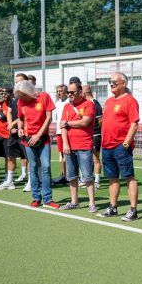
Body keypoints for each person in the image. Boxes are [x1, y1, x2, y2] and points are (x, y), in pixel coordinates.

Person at [97, 72, 140, 221]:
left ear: (124, 84)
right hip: (107, 146)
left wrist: (126, 143)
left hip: (121, 146)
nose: (111, 83)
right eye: (110, 81)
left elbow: (134, 123)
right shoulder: (109, 101)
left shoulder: (130, 101)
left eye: (115, 81)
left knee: (129, 177)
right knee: (112, 178)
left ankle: (133, 210)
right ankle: (113, 207)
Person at [15, 80, 59, 208]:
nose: (21, 98)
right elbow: (21, 118)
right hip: (28, 140)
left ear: (29, 91)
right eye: (19, 96)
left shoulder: (43, 96)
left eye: (23, 95)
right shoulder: (20, 102)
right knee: (33, 168)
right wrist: (20, 128)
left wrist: (38, 135)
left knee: (46, 168)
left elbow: (49, 118)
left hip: (43, 139)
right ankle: (36, 198)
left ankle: (48, 199)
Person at [59, 79, 97, 211]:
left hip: (84, 145)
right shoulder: (66, 107)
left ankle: (92, 203)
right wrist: (65, 143)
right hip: (69, 146)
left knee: (87, 176)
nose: (69, 94)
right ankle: (74, 201)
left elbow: (85, 122)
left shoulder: (89, 105)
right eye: (67, 92)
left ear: (80, 92)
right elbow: (61, 126)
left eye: (72, 92)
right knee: (72, 176)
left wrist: (68, 123)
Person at [82, 83, 103, 189]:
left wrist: (97, 131)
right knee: (86, 158)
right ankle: (86, 180)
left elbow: (100, 121)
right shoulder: (84, 104)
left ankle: (97, 181)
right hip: (86, 135)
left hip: (95, 134)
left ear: (85, 92)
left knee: (95, 158)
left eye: (81, 91)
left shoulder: (95, 104)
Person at [52, 83, 69, 186]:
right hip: (59, 132)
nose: (59, 93)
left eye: (61, 91)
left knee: (70, 154)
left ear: (66, 92)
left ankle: (71, 175)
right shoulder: (57, 103)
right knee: (62, 155)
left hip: (67, 131)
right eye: (58, 91)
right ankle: (64, 175)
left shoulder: (69, 102)